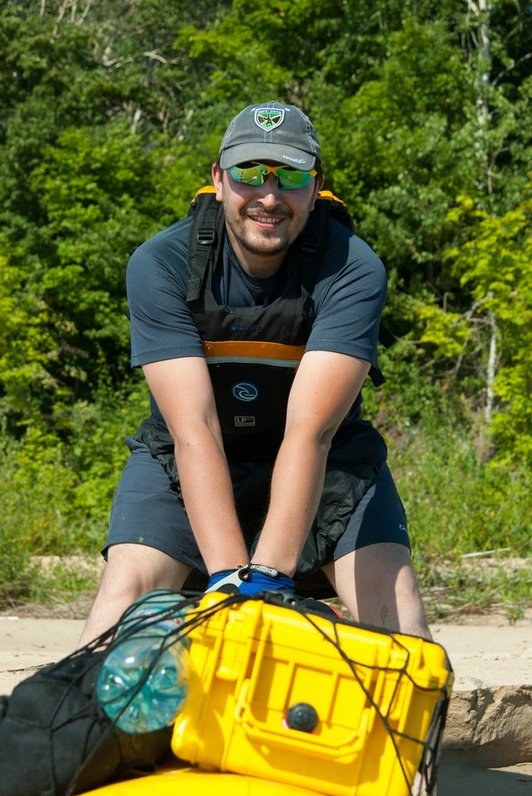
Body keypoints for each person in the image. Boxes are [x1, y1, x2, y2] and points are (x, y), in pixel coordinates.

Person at [78, 100, 431, 647]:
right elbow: (194, 430)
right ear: (219, 180)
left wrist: (266, 578)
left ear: (315, 190)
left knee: (402, 624)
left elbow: (310, 431)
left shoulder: (354, 268)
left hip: (328, 458)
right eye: (249, 174)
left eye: (290, 177)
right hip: (187, 454)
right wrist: (226, 579)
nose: (269, 197)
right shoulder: (160, 264)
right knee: (119, 606)